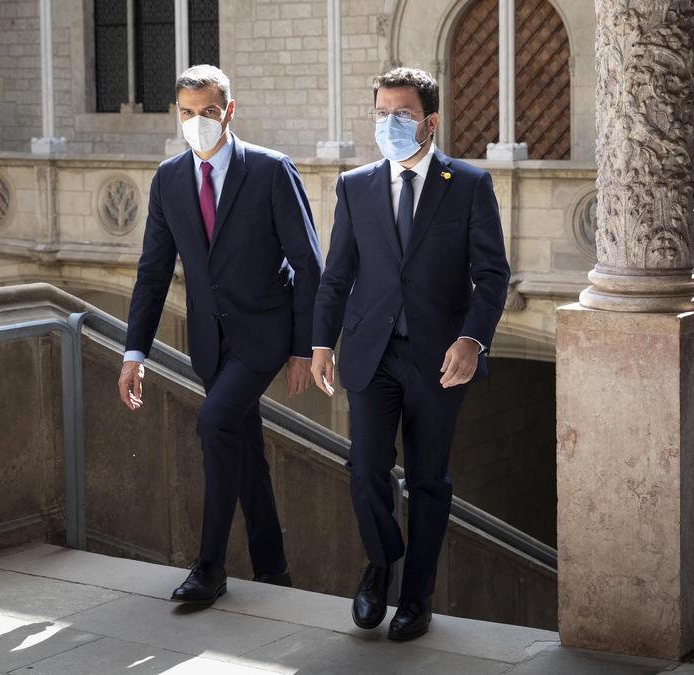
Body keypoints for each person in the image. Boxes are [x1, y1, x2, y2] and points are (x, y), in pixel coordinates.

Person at [310, 67, 509, 641]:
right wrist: (322, 342)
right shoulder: (355, 186)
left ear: (429, 120)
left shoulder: (468, 185)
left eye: (401, 114)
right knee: (366, 466)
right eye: (381, 113)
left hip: (439, 359)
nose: (389, 124)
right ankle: (380, 563)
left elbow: (492, 275)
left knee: (427, 478)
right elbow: (337, 274)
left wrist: (472, 339)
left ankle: (415, 599)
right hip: (371, 354)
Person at [120, 64, 322, 606]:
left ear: (228, 111)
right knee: (244, 447)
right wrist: (134, 350)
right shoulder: (168, 179)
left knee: (213, 426)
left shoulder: (271, 170)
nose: (197, 122)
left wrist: (305, 347)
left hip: (264, 336)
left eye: (208, 112)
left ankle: (209, 568)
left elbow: (309, 265)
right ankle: (273, 567)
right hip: (209, 343)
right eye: (187, 113)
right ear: (177, 115)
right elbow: (153, 270)